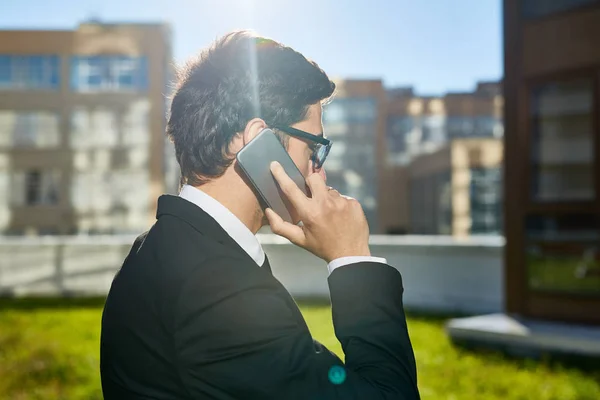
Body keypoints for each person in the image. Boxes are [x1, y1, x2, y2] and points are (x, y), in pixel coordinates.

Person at [100, 30, 420, 400]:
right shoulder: (220, 291)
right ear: (257, 139)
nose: (318, 171)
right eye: (314, 147)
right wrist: (352, 257)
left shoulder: (161, 246)